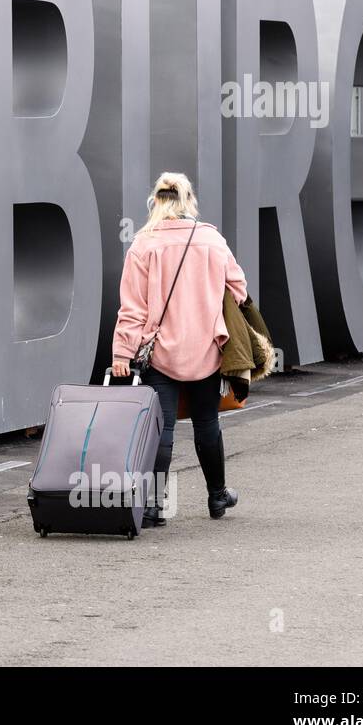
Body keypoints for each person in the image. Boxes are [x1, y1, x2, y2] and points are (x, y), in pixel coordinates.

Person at [111, 172, 247, 526]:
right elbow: (239, 290)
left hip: (161, 353)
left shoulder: (143, 244)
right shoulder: (211, 240)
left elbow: (132, 309)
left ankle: (154, 507)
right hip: (207, 348)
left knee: (162, 427)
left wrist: (122, 354)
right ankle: (217, 497)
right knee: (207, 422)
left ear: (155, 200)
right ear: (188, 200)